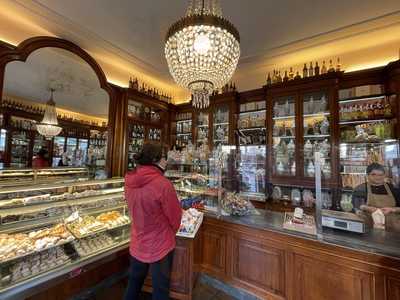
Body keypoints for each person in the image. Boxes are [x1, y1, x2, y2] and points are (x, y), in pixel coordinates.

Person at [124, 142, 182, 300]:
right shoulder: (163, 184)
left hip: (137, 241)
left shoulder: (128, 180)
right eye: (164, 157)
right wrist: (170, 232)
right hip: (160, 245)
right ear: (156, 159)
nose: (166, 161)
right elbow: (176, 217)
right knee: (161, 290)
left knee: (134, 284)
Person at [352, 163, 400, 230]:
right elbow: (356, 207)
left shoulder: (393, 188)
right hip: (369, 227)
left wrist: (392, 209)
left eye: (381, 175)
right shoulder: (361, 188)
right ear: (367, 175)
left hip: (393, 227)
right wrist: (367, 208)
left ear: (384, 175)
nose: (377, 177)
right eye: (373, 174)